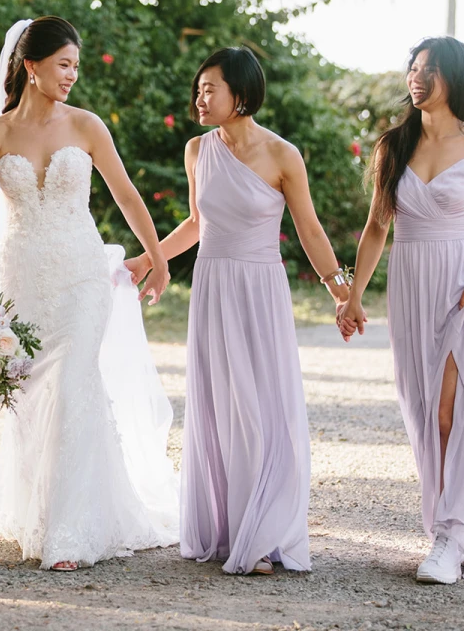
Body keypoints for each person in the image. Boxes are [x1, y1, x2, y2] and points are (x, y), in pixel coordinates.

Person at [126, 46, 349, 575]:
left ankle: (266, 533)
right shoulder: (197, 150)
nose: (200, 98)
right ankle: (231, 528)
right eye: (199, 89)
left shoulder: (282, 155)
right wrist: (148, 258)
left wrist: (340, 288)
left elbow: (309, 229)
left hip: (260, 289)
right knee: (221, 404)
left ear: (241, 94)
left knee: (261, 405)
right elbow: (197, 222)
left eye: (211, 89)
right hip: (213, 284)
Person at [0, 17, 179, 571]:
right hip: (21, 277)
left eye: (76, 66)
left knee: (74, 380)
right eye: (63, 64)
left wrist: (157, 259)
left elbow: (128, 196)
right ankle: (39, 507)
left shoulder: (86, 126)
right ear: (30, 66)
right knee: (37, 393)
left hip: (83, 274)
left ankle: (70, 532)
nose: (72, 75)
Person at [338, 37, 464, 584]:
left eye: (428, 70)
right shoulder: (393, 145)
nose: (416, 78)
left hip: (463, 286)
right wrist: (354, 295)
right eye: (412, 69)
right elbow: (376, 229)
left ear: (455, 78)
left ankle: (451, 538)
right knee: (421, 409)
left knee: (450, 410)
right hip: (410, 285)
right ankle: (443, 528)